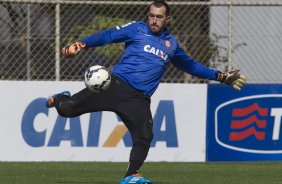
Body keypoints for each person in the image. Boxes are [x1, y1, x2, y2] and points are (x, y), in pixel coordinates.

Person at [46, 1, 246, 183]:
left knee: (144, 135)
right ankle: (62, 98)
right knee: (67, 110)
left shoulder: (171, 45)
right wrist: (82, 44)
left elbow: (191, 66)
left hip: (138, 98)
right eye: (151, 15)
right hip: (114, 85)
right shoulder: (136, 28)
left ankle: (131, 175)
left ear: (167, 19)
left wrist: (220, 76)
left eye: (159, 17)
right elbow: (108, 35)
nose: (154, 20)